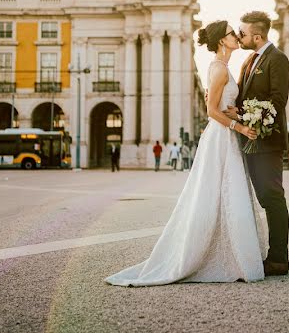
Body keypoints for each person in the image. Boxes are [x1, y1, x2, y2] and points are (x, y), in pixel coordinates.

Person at [107, 20, 266, 286]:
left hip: (226, 136)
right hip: (221, 137)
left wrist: (239, 114)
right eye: (231, 34)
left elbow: (222, 107)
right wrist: (241, 127)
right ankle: (225, 255)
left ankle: (232, 253)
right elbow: (211, 111)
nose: (237, 37)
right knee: (220, 191)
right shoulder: (218, 69)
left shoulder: (223, 67)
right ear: (221, 41)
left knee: (227, 192)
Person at [229, 10, 289, 276]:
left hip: (267, 141)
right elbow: (243, 97)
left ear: (257, 36)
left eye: (242, 33)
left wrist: (244, 116)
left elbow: (278, 101)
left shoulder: (277, 59)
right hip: (249, 140)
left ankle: (278, 259)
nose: (238, 36)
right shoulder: (249, 61)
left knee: (272, 197)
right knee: (258, 198)